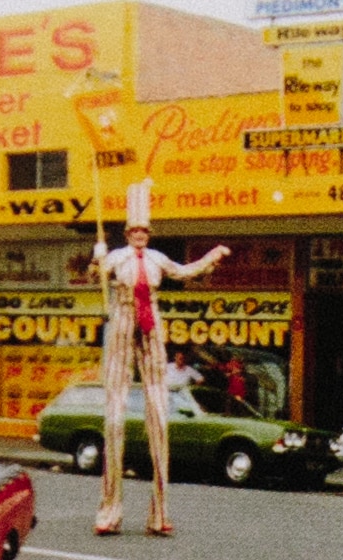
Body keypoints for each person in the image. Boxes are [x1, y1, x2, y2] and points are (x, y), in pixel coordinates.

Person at [92, 178, 230, 537]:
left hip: (151, 322)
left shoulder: (156, 259)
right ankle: (110, 511)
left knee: (159, 419)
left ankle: (159, 512)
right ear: (126, 232)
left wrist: (210, 259)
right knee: (115, 421)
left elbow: (185, 272)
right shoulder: (116, 257)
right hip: (122, 319)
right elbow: (96, 276)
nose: (141, 235)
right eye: (135, 230)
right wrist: (96, 259)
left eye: (145, 230)